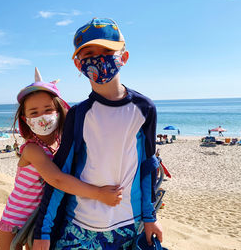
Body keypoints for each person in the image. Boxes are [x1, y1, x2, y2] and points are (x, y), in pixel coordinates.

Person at [33, 18, 162, 250]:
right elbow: (62, 172)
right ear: (78, 64)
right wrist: (43, 230)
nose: (98, 58)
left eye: (106, 50)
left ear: (123, 57)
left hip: (128, 226)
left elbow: (147, 166)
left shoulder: (144, 109)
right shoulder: (79, 114)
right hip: (79, 227)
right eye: (89, 53)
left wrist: (151, 218)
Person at [0, 68, 122, 250]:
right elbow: (56, 179)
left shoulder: (61, 143)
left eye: (48, 109)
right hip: (15, 218)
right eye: (34, 113)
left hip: (40, 218)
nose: (42, 117)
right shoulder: (32, 149)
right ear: (25, 120)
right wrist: (98, 193)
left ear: (59, 111)